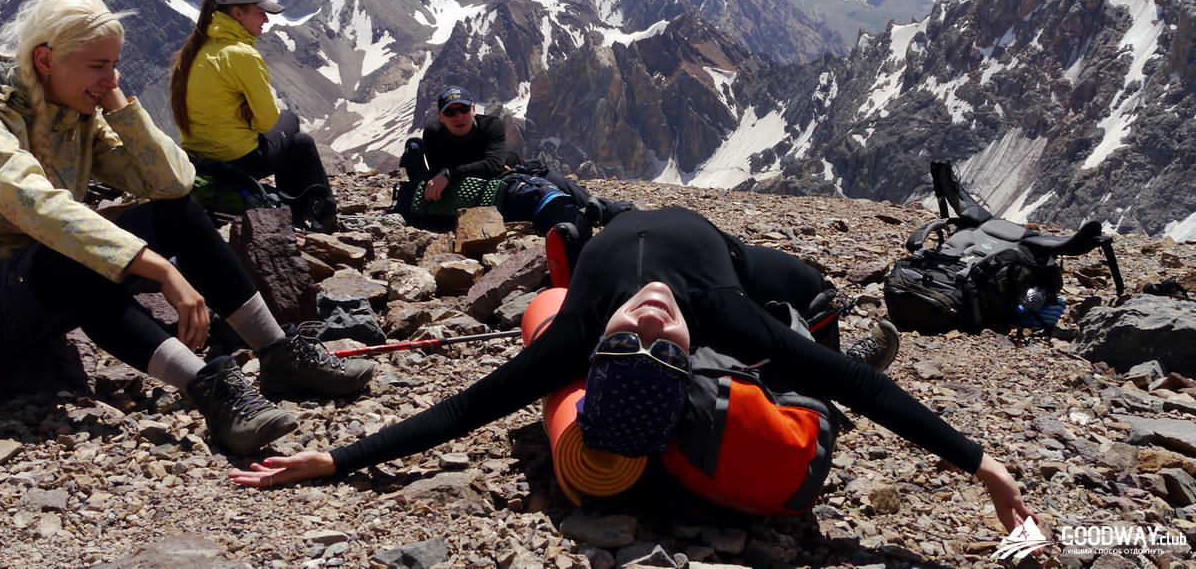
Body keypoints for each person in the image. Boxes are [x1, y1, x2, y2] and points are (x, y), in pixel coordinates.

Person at [228, 207, 1035, 534]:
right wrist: (982, 463)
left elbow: (466, 408)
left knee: (810, 310)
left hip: (623, 250)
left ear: (596, 347)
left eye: (627, 341)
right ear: (692, 355)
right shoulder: (719, 312)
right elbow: (866, 387)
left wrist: (337, 457)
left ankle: (800, 355)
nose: (649, 318)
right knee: (807, 304)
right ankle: (797, 368)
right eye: (664, 344)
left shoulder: (575, 331)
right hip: (726, 262)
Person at [0, 0, 373, 454]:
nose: (110, 78)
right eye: (98, 66)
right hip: (4, 300)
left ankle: (279, 355)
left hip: (35, 288)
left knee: (177, 213)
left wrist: (118, 104)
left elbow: (173, 181)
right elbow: (36, 206)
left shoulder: (74, 114)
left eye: (115, 65)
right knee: (71, 255)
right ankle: (210, 390)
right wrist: (158, 269)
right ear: (45, 61)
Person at [170, 0, 336, 230]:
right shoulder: (240, 54)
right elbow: (267, 122)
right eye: (260, 12)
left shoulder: (194, 50)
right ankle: (322, 216)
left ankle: (296, 214)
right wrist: (250, 119)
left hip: (198, 159)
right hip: (237, 160)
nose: (266, 19)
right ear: (238, 13)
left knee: (299, 144)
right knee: (292, 124)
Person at [400, 84, 628, 227]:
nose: (458, 116)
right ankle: (586, 217)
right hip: (500, 177)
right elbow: (441, 170)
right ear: (440, 117)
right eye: (450, 112)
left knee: (562, 186)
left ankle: (609, 210)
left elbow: (493, 163)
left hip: (517, 168)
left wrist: (449, 174)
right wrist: (455, 173)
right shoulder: (433, 132)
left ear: (473, 109)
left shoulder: (492, 125)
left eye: (463, 109)